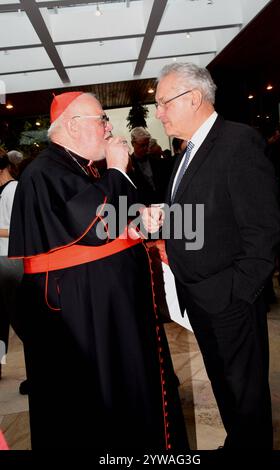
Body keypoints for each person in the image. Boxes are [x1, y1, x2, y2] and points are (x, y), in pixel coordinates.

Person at [8, 92, 188, 450]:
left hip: (102, 308)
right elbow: (93, 223)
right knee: (97, 407)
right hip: (83, 315)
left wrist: (136, 222)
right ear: (73, 126)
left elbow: (103, 222)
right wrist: (118, 169)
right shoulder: (46, 170)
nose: (109, 128)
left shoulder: (79, 166)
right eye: (101, 120)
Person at [144, 63, 280, 449]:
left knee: (246, 394)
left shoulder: (238, 143)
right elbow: (209, 213)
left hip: (229, 299)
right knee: (226, 387)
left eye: (163, 103)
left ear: (193, 98)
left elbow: (263, 229)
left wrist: (238, 293)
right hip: (199, 297)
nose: (159, 112)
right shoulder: (187, 151)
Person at [0, 151, 23, 379]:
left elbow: (20, 228)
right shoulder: (4, 191)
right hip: (3, 261)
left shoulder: (13, 189)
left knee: (19, 319)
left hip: (10, 260)